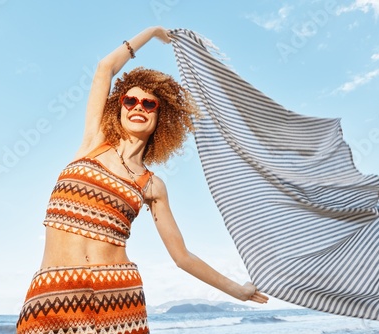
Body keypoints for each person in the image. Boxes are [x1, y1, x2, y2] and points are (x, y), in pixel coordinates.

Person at [16, 26, 268, 334]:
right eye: (130, 101)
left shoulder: (152, 185)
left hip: (118, 296)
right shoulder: (94, 142)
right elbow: (104, 69)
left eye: (149, 104)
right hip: (53, 292)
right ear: (118, 107)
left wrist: (237, 291)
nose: (138, 107)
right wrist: (151, 33)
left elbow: (182, 257)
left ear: (160, 118)